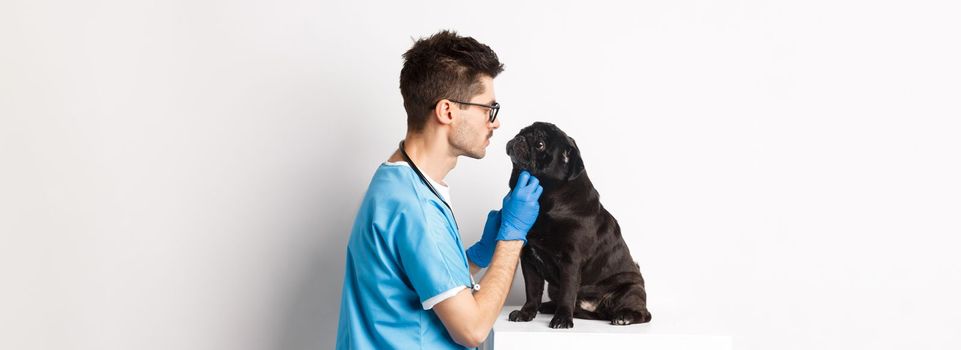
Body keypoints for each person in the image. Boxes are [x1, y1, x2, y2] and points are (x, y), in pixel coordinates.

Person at [334, 30, 543, 349]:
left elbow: (416, 279)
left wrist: (475, 257)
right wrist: (511, 238)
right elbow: (472, 329)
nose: (495, 123)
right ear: (447, 111)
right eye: (489, 109)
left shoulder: (397, 184)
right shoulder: (416, 207)